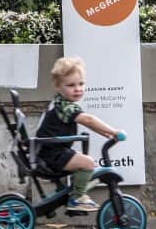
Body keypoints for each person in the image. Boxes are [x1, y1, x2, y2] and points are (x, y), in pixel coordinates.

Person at [37, 57, 123, 213]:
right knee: (88, 163)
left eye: (81, 84)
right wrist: (113, 131)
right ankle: (77, 198)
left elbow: (87, 122)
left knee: (87, 163)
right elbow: (88, 120)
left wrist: (107, 134)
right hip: (53, 155)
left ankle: (75, 193)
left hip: (52, 152)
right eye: (71, 85)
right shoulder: (66, 107)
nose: (77, 89)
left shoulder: (60, 103)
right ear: (57, 86)